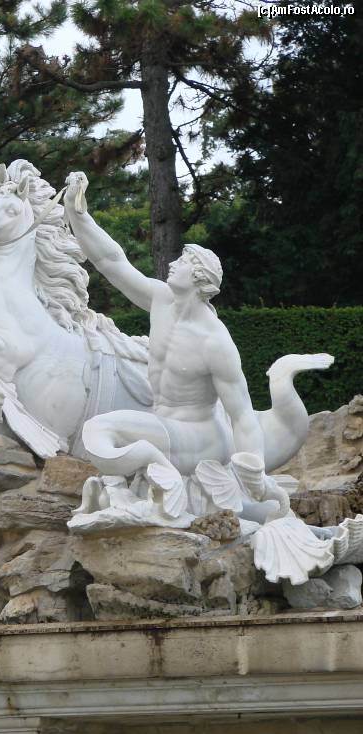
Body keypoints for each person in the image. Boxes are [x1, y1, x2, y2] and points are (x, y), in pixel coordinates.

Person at [62, 171, 263, 516]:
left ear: (199, 278)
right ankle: (136, 481)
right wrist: (77, 214)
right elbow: (111, 262)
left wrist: (253, 473)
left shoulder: (213, 340)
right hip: (164, 423)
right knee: (96, 434)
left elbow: (242, 414)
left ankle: (156, 470)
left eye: (182, 262)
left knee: (97, 429)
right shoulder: (161, 299)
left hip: (200, 439)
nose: (172, 264)